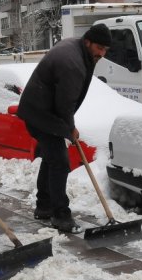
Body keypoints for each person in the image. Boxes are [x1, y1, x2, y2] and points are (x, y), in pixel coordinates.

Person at [17, 23, 111, 233]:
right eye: (99, 48)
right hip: (42, 115)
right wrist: (70, 128)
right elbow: (64, 103)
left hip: (39, 111)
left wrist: (67, 126)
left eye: (105, 50)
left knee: (52, 158)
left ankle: (44, 205)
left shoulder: (79, 50)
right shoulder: (72, 63)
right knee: (60, 162)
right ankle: (61, 215)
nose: (102, 53)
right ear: (88, 42)